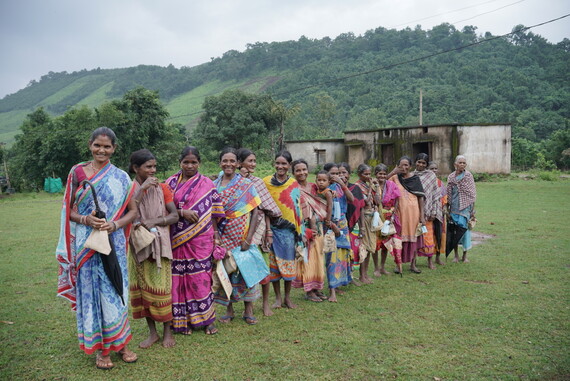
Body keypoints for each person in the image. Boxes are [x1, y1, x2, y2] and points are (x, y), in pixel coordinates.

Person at [56, 127, 138, 370]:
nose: (101, 150)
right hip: (87, 245)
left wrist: (114, 224)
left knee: (115, 289)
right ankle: (101, 350)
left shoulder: (122, 177)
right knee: (93, 293)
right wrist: (85, 219)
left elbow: (132, 211)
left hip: (114, 244)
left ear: (114, 149)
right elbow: (68, 210)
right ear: (90, 145)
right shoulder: (78, 173)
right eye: (97, 145)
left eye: (107, 146)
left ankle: (121, 343)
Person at [165, 146, 225, 335]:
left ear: (199, 163)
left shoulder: (207, 184)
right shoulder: (170, 184)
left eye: (194, 162)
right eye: (186, 162)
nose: (190, 166)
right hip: (175, 240)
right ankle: (182, 322)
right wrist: (182, 212)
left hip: (200, 241)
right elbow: (161, 209)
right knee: (177, 281)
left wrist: (216, 237)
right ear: (180, 162)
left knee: (201, 279)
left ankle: (207, 320)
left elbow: (215, 214)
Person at [128, 149, 178, 348]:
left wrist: (154, 221)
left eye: (154, 166)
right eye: (148, 166)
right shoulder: (128, 189)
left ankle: (167, 332)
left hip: (159, 244)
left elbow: (174, 215)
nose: (153, 170)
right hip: (138, 245)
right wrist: (141, 190)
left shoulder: (163, 188)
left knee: (162, 288)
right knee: (143, 289)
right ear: (135, 168)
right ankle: (152, 333)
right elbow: (127, 210)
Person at [214, 147, 263, 325]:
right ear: (220, 163)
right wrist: (215, 235)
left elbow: (256, 212)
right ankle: (229, 309)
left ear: (238, 163)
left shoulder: (245, 184)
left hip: (242, 232)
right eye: (225, 161)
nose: (228, 164)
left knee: (246, 269)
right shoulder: (215, 185)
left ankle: (249, 310)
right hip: (222, 233)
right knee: (226, 270)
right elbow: (212, 213)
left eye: (232, 161)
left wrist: (249, 238)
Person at [236, 148, 282, 316]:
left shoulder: (257, 182)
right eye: (250, 161)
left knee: (263, 266)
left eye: (255, 161)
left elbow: (266, 209)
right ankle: (245, 307)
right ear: (240, 163)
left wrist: (268, 231)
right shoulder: (233, 181)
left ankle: (265, 304)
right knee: (242, 268)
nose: (253, 164)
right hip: (238, 227)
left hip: (258, 228)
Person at [264, 151, 303, 309]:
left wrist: (299, 232)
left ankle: (287, 298)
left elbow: (297, 210)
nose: (280, 166)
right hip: (272, 230)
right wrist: (267, 230)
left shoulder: (293, 184)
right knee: (273, 267)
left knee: (289, 265)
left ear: (289, 165)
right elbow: (264, 208)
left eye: (284, 164)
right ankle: (278, 299)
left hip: (289, 232)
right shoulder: (265, 182)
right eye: (278, 163)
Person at [292, 160, 328, 302]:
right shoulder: (293, 189)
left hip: (318, 227)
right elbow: (293, 211)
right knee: (308, 259)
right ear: (293, 173)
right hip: (303, 228)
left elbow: (324, 199)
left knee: (318, 258)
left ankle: (317, 287)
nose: (302, 173)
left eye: (304, 169)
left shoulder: (314, 187)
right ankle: (309, 290)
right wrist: (303, 230)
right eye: (298, 170)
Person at [387, 156, 425, 274]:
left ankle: (413, 265)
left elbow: (421, 198)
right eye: (401, 165)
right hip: (399, 213)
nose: (404, 168)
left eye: (406, 165)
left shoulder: (415, 179)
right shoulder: (394, 178)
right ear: (397, 166)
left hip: (414, 213)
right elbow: (381, 182)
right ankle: (398, 265)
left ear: (410, 166)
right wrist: (393, 172)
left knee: (414, 237)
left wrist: (422, 216)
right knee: (399, 239)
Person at [323, 162, 355, 302]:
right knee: (332, 257)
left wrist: (342, 184)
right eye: (334, 173)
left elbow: (352, 199)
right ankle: (332, 291)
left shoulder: (340, 187)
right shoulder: (325, 188)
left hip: (343, 224)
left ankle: (339, 283)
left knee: (342, 255)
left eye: (339, 173)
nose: (337, 176)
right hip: (331, 225)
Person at [413, 153, 443, 270]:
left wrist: (434, 211)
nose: (420, 164)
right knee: (414, 237)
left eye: (423, 163)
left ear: (426, 164)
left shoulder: (431, 176)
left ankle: (430, 261)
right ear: (415, 162)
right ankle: (413, 262)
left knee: (428, 236)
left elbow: (436, 195)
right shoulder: (411, 175)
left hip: (428, 211)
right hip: (414, 211)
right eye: (419, 162)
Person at [352, 164, 380, 284]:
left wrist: (376, 187)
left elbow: (378, 202)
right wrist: (370, 189)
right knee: (363, 247)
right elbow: (365, 202)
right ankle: (361, 275)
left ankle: (366, 273)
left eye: (369, 174)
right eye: (365, 174)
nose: (368, 176)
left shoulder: (369, 185)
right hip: (363, 219)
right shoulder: (357, 186)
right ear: (359, 174)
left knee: (369, 248)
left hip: (371, 218)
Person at [372, 164, 402, 275]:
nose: (382, 176)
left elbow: (397, 198)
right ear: (376, 174)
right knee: (375, 244)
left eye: (384, 174)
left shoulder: (391, 185)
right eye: (380, 173)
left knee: (386, 243)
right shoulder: (373, 185)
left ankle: (382, 267)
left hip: (388, 217)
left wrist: (394, 212)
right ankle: (375, 268)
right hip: (376, 217)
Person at [447, 155, 476, 263]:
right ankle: (455, 255)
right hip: (454, 208)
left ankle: (465, 256)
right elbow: (448, 193)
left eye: (464, 163)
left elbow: (472, 194)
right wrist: (447, 209)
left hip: (466, 209)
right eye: (460, 162)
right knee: (455, 231)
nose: (462, 164)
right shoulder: (451, 177)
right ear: (455, 164)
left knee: (465, 232)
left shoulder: (469, 176)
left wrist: (472, 210)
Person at [339, 162, 364, 287]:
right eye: (338, 173)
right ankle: (341, 277)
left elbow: (361, 209)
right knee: (340, 253)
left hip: (353, 226)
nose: (341, 175)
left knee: (352, 252)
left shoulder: (356, 189)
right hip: (339, 227)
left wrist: (362, 227)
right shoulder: (333, 189)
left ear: (349, 174)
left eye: (344, 172)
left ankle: (351, 276)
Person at [428, 161, 447, 265]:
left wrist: (444, 208)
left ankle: (438, 257)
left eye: (435, 168)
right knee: (428, 235)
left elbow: (444, 197)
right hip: (428, 213)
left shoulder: (440, 183)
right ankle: (429, 259)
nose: (434, 171)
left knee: (439, 234)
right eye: (431, 169)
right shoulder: (424, 181)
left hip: (439, 213)